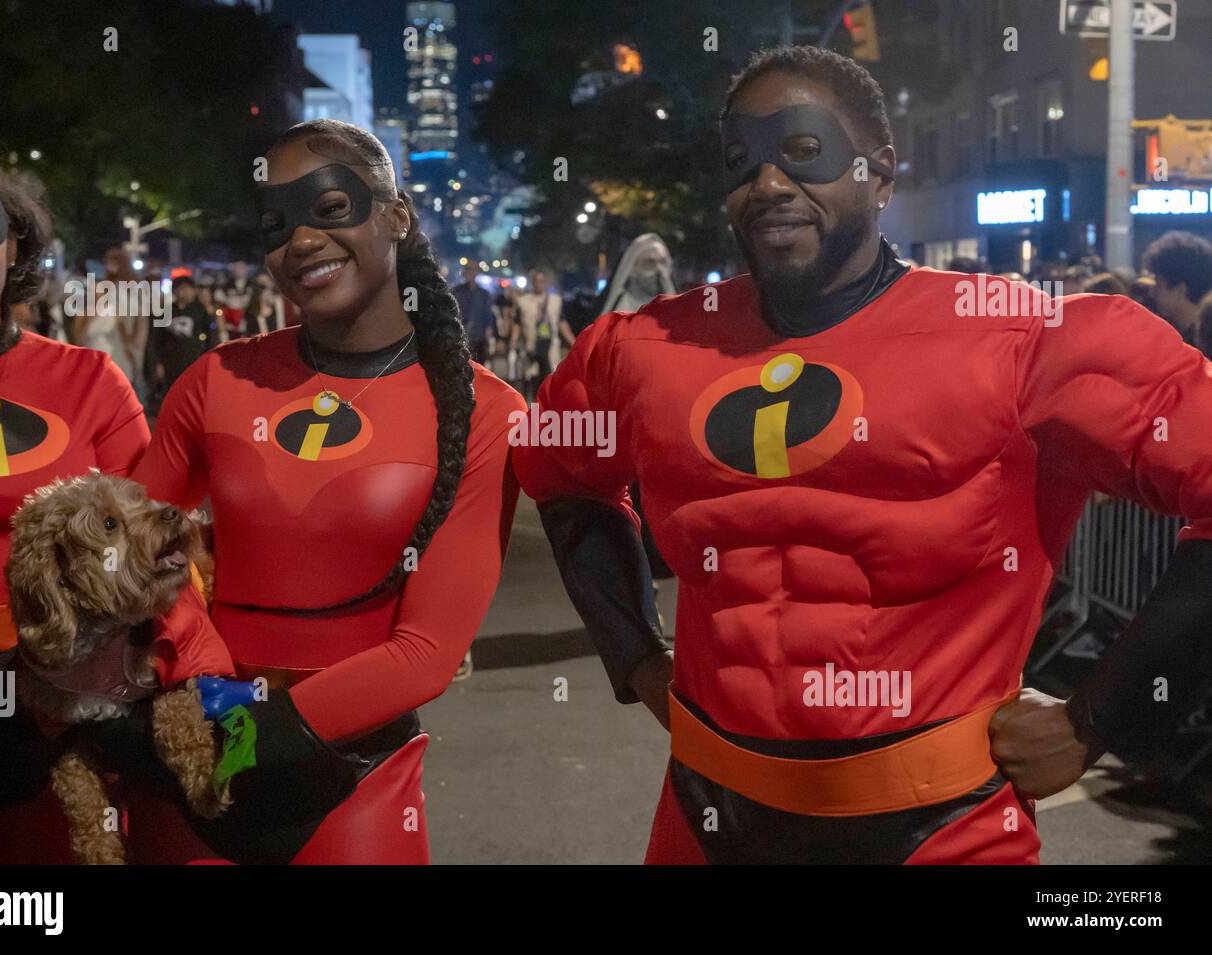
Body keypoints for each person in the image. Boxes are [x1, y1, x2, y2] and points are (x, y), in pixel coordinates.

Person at [513, 45, 1212, 864]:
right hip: (706, 815)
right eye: (742, 161)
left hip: (940, 826)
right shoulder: (643, 348)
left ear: (880, 174)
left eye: (804, 151)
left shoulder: (1028, 341)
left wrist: (1101, 722)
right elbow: (559, 474)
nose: (768, 183)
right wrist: (634, 656)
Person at [123, 119, 524, 864]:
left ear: (396, 216)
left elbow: (428, 652)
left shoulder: (486, 412)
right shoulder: (216, 379)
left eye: (330, 208)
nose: (301, 239)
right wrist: (191, 685)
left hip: (350, 780)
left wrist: (239, 733)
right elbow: (126, 556)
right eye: (276, 224)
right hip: (188, 763)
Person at [0, 111, 229, 864]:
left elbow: (163, 544)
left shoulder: (88, 379)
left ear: (14, 241)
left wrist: (200, 680)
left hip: (63, 718)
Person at [74, 246, 147, 391]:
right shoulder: (104, 287)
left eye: (114, 262)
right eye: (108, 262)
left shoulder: (132, 289)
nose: (110, 266)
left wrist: (135, 346)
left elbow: (138, 322)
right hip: (98, 345)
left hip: (121, 345)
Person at [144, 275, 217, 419]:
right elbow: (155, 340)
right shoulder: (165, 311)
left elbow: (211, 336)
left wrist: (209, 358)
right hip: (170, 362)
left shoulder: (200, 311)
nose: (186, 293)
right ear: (175, 291)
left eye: (189, 289)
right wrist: (157, 363)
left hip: (194, 360)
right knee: (172, 395)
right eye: (182, 289)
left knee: (195, 396)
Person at [1142, 231, 1212, 349]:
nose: (1152, 293)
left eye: (1158, 285)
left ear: (1180, 290)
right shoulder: (1201, 339)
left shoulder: (1195, 349)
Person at [518, 270, 573, 400]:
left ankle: (548, 411)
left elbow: (561, 323)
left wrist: (574, 343)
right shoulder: (523, 301)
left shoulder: (555, 301)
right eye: (536, 281)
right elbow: (518, 324)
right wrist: (514, 342)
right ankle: (531, 410)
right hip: (531, 349)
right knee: (531, 381)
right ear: (532, 283)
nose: (539, 284)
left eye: (541, 281)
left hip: (549, 349)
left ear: (546, 283)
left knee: (549, 380)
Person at [599, 233, 677, 315]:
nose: (659, 270)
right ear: (632, 270)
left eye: (664, 262)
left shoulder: (676, 314)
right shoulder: (615, 318)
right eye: (650, 262)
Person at [451, 261, 494, 364]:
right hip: (461, 339)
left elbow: (488, 316)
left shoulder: (484, 294)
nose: (470, 273)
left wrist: (488, 337)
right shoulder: (457, 291)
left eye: (473, 270)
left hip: (479, 339)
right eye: (468, 269)